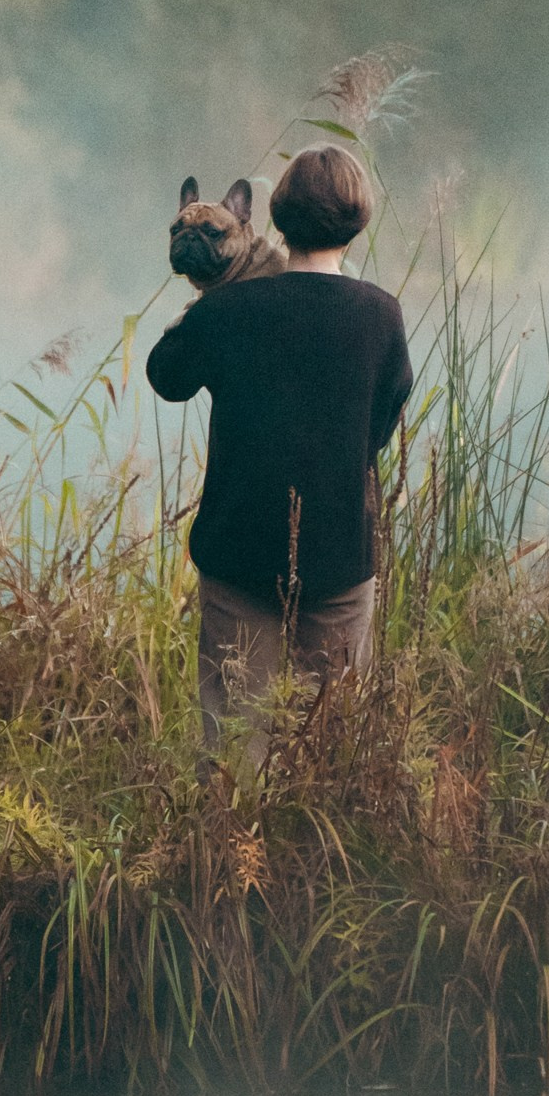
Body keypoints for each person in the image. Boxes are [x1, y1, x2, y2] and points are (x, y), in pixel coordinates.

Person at [144, 137, 412, 755]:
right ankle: (319, 845)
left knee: (235, 742)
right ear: (357, 224)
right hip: (340, 550)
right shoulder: (382, 315)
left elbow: (166, 377)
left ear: (273, 220)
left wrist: (199, 313)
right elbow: (386, 412)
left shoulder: (226, 309)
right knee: (329, 742)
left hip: (238, 547)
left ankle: (227, 851)